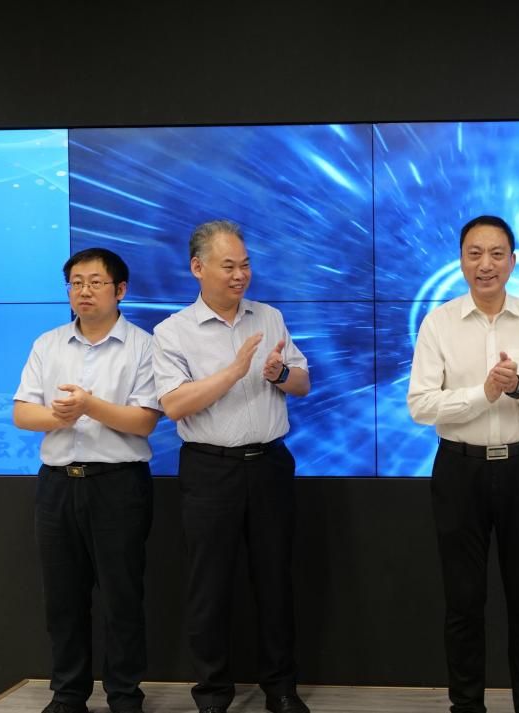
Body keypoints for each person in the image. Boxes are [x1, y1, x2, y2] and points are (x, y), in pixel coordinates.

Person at [407, 215, 519, 713]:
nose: (486, 264)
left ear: (513, 262)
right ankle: (466, 706)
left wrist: (518, 387)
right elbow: (421, 406)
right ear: (460, 262)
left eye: (497, 254)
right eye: (475, 254)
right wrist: (484, 394)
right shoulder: (438, 324)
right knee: (463, 601)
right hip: (460, 470)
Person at [152, 220, 311, 713]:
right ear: (197, 268)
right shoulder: (172, 331)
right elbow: (174, 404)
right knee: (209, 585)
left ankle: (281, 689)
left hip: (269, 465)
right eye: (229, 266)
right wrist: (234, 372)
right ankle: (213, 693)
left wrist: (279, 374)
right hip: (209, 469)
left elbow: (303, 383)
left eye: (245, 265)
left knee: (275, 580)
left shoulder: (269, 317)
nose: (240, 275)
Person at [13, 247, 161, 713]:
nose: (84, 291)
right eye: (76, 283)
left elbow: (144, 421)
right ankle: (68, 695)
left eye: (96, 282)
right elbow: (22, 413)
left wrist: (88, 406)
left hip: (118, 483)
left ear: (121, 290)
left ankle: (124, 695)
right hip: (57, 484)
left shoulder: (143, 346)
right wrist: (60, 417)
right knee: (63, 598)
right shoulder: (48, 344)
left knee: (122, 596)